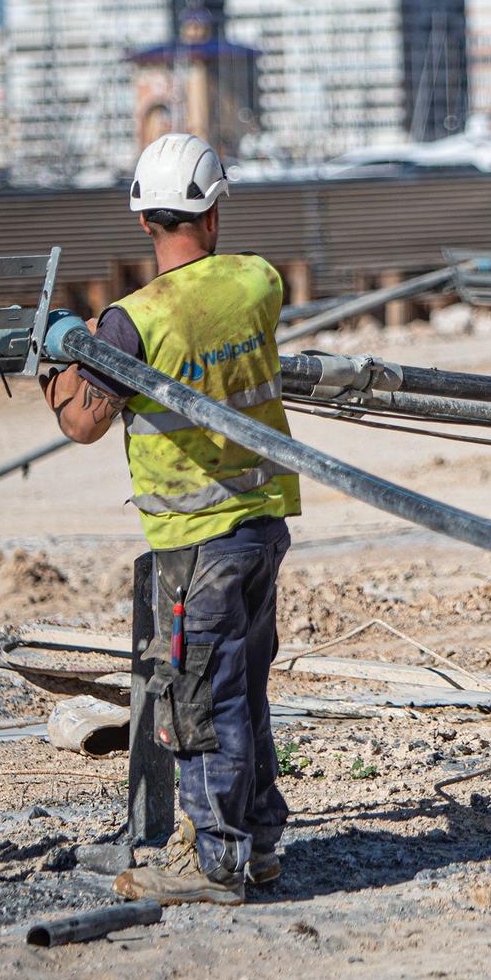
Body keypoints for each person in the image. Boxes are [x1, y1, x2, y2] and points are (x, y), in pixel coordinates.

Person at [39, 133, 301, 906]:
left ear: (145, 223)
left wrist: (60, 357)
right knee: (245, 689)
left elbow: (83, 423)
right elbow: (223, 329)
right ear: (213, 212)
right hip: (262, 524)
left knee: (201, 697)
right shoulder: (259, 282)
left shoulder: (131, 322)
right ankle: (255, 844)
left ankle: (211, 859)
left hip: (195, 542)